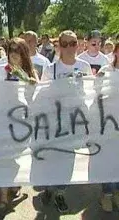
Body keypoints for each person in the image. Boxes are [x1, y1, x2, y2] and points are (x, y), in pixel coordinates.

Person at [40, 31, 92, 213]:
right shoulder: (50, 69)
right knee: (52, 157)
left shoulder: (84, 66)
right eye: (66, 43)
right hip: (55, 122)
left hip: (76, 122)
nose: (70, 47)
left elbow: (92, 92)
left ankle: (60, 194)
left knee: (69, 159)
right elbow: (42, 94)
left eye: (73, 43)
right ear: (59, 46)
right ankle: (48, 187)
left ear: (78, 45)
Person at [0, 38, 38, 219]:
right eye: (11, 50)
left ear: (24, 53)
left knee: (15, 155)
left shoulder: (30, 72)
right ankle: (3, 196)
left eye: (18, 50)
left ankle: (13, 183)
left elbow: (35, 96)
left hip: (21, 122)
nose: (14, 54)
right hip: (2, 120)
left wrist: (32, 85)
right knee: (4, 157)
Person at [97, 43, 119, 212]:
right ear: (116, 51)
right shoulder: (105, 70)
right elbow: (96, 92)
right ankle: (107, 194)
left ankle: (116, 192)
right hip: (109, 123)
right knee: (110, 158)